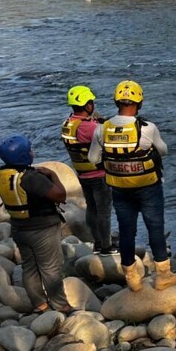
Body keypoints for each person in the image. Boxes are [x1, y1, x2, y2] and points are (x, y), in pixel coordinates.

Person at [88, 80, 176, 291]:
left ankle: (132, 279)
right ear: (139, 102)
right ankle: (163, 275)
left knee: (127, 231)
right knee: (155, 228)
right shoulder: (147, 128)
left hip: (119, 188)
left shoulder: (102, 128)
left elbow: (93, 158)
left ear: (116, 101)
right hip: (148, 187)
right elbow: (163, 150)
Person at [0, 135, 74, 314]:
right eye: (29, 150)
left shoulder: (1, 175)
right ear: (23, 156)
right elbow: (60, 195)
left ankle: (40, 305)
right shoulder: (32, 178)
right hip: (42, 229)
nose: (32, 151)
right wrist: (52, 174)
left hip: (19, 228)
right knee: (50, 268)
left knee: (29, 267)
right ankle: (61, 305)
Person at [59, 84, 113, 256]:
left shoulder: (69, 123)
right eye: (91, 102)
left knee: (92, 208)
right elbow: (108, 141)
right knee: (104, 212)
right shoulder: (90, 128)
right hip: (99, 174)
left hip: (82, 174)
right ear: (88, 106)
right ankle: (106, 246)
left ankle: (97, 242)